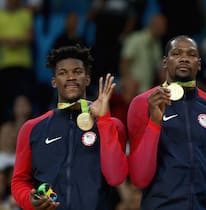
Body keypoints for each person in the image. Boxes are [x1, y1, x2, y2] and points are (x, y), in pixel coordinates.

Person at [127, 35, 206, 209]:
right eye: (176, 53)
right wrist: (155, 123)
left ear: (199, 64)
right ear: (165, 62)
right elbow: (139, 177)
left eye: (191, 54)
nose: (184, 58)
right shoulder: (142, 103)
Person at [11, 45, 128, 210]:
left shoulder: (113, 125)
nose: (71, 77)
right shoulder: (32, 128)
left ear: (87, 79)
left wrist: (104, 120)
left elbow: (116, 177)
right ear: (54, 81)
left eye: (77, 71)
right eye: (63, 73)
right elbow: (19, 181)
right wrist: (30, 201)